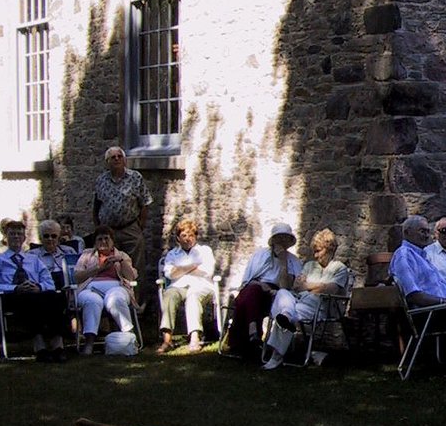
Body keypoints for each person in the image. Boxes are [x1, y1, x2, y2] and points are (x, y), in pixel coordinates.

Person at [262, 228, 351, 370]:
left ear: (329, 249)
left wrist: (307, 286)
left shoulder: (339, 269)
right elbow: (297, 286)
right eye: (314, 251)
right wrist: (316, 286)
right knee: (283, 292)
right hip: (298, 302)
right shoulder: (310, 266)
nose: (315, 256)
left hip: (319, 306)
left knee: (284, 313)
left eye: (318, 251)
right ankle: (286, 316)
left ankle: (276, 356)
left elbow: (331, 289)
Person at [0, 219, 69, 358]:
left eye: (19, 234)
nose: (16, 237)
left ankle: (57, 344)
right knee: (32, 299)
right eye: (12, 234)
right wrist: (15, 288)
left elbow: (49, 283)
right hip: (9, 297)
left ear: (24, 238)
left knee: (58, 296)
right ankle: (39, 346)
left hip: (35, 294)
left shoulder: (33, 259)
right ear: (5, 237)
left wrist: (38, 287)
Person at [226, 222, 301, 359]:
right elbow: (248, 279)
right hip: (255, 287)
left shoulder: (293, 261)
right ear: (273, 240)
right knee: (251, 291)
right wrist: (261, 286)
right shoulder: (260, 255)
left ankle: (245, 338)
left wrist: (283, 261)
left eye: (285, 238)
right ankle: (253, 333)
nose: (282, 241)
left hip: (276, 294)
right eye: (279, 238)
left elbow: (286, 286)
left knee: (247, 297)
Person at [92, 147, 151, 296]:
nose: (117, 159)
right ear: (107, 162)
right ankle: (114, 300)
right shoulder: (101, 180)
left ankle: (137, 304)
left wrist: (140, 225)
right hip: (108, 232)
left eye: (119, 156)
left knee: (135, 267)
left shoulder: (135, 177)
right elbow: (96, 205)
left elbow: (144, 203)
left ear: (124, 160)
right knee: (110, 266)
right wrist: (99, 227)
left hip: (130, 228)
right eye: (113, 157)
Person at [157, 217, 217, 354]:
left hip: (201, 286)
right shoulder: (172, 254)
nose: (187, 239)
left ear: (195, 236)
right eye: (183, 235)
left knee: (193, 295)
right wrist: (193, 266)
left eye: (191, 235)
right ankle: (167, 340)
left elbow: (207, 272)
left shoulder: (205, 251)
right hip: (178, 286)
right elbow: (170, 274)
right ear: (178, 238)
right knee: (169, 295)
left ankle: (194, 337)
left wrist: (180, 269)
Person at [74, 225, 138, 353]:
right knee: (92, 301)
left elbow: (131, 277)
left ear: (112, 240)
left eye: (106, 238)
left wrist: (120, 261)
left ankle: (130, 337)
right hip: (90, 289)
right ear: (95, 242)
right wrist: (99, 268)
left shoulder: (122, 255)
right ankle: (89, 343)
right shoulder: (87, 255)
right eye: (100, 239)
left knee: (115, 299)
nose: (103, 242)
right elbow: (77, 277)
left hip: (116, 287)